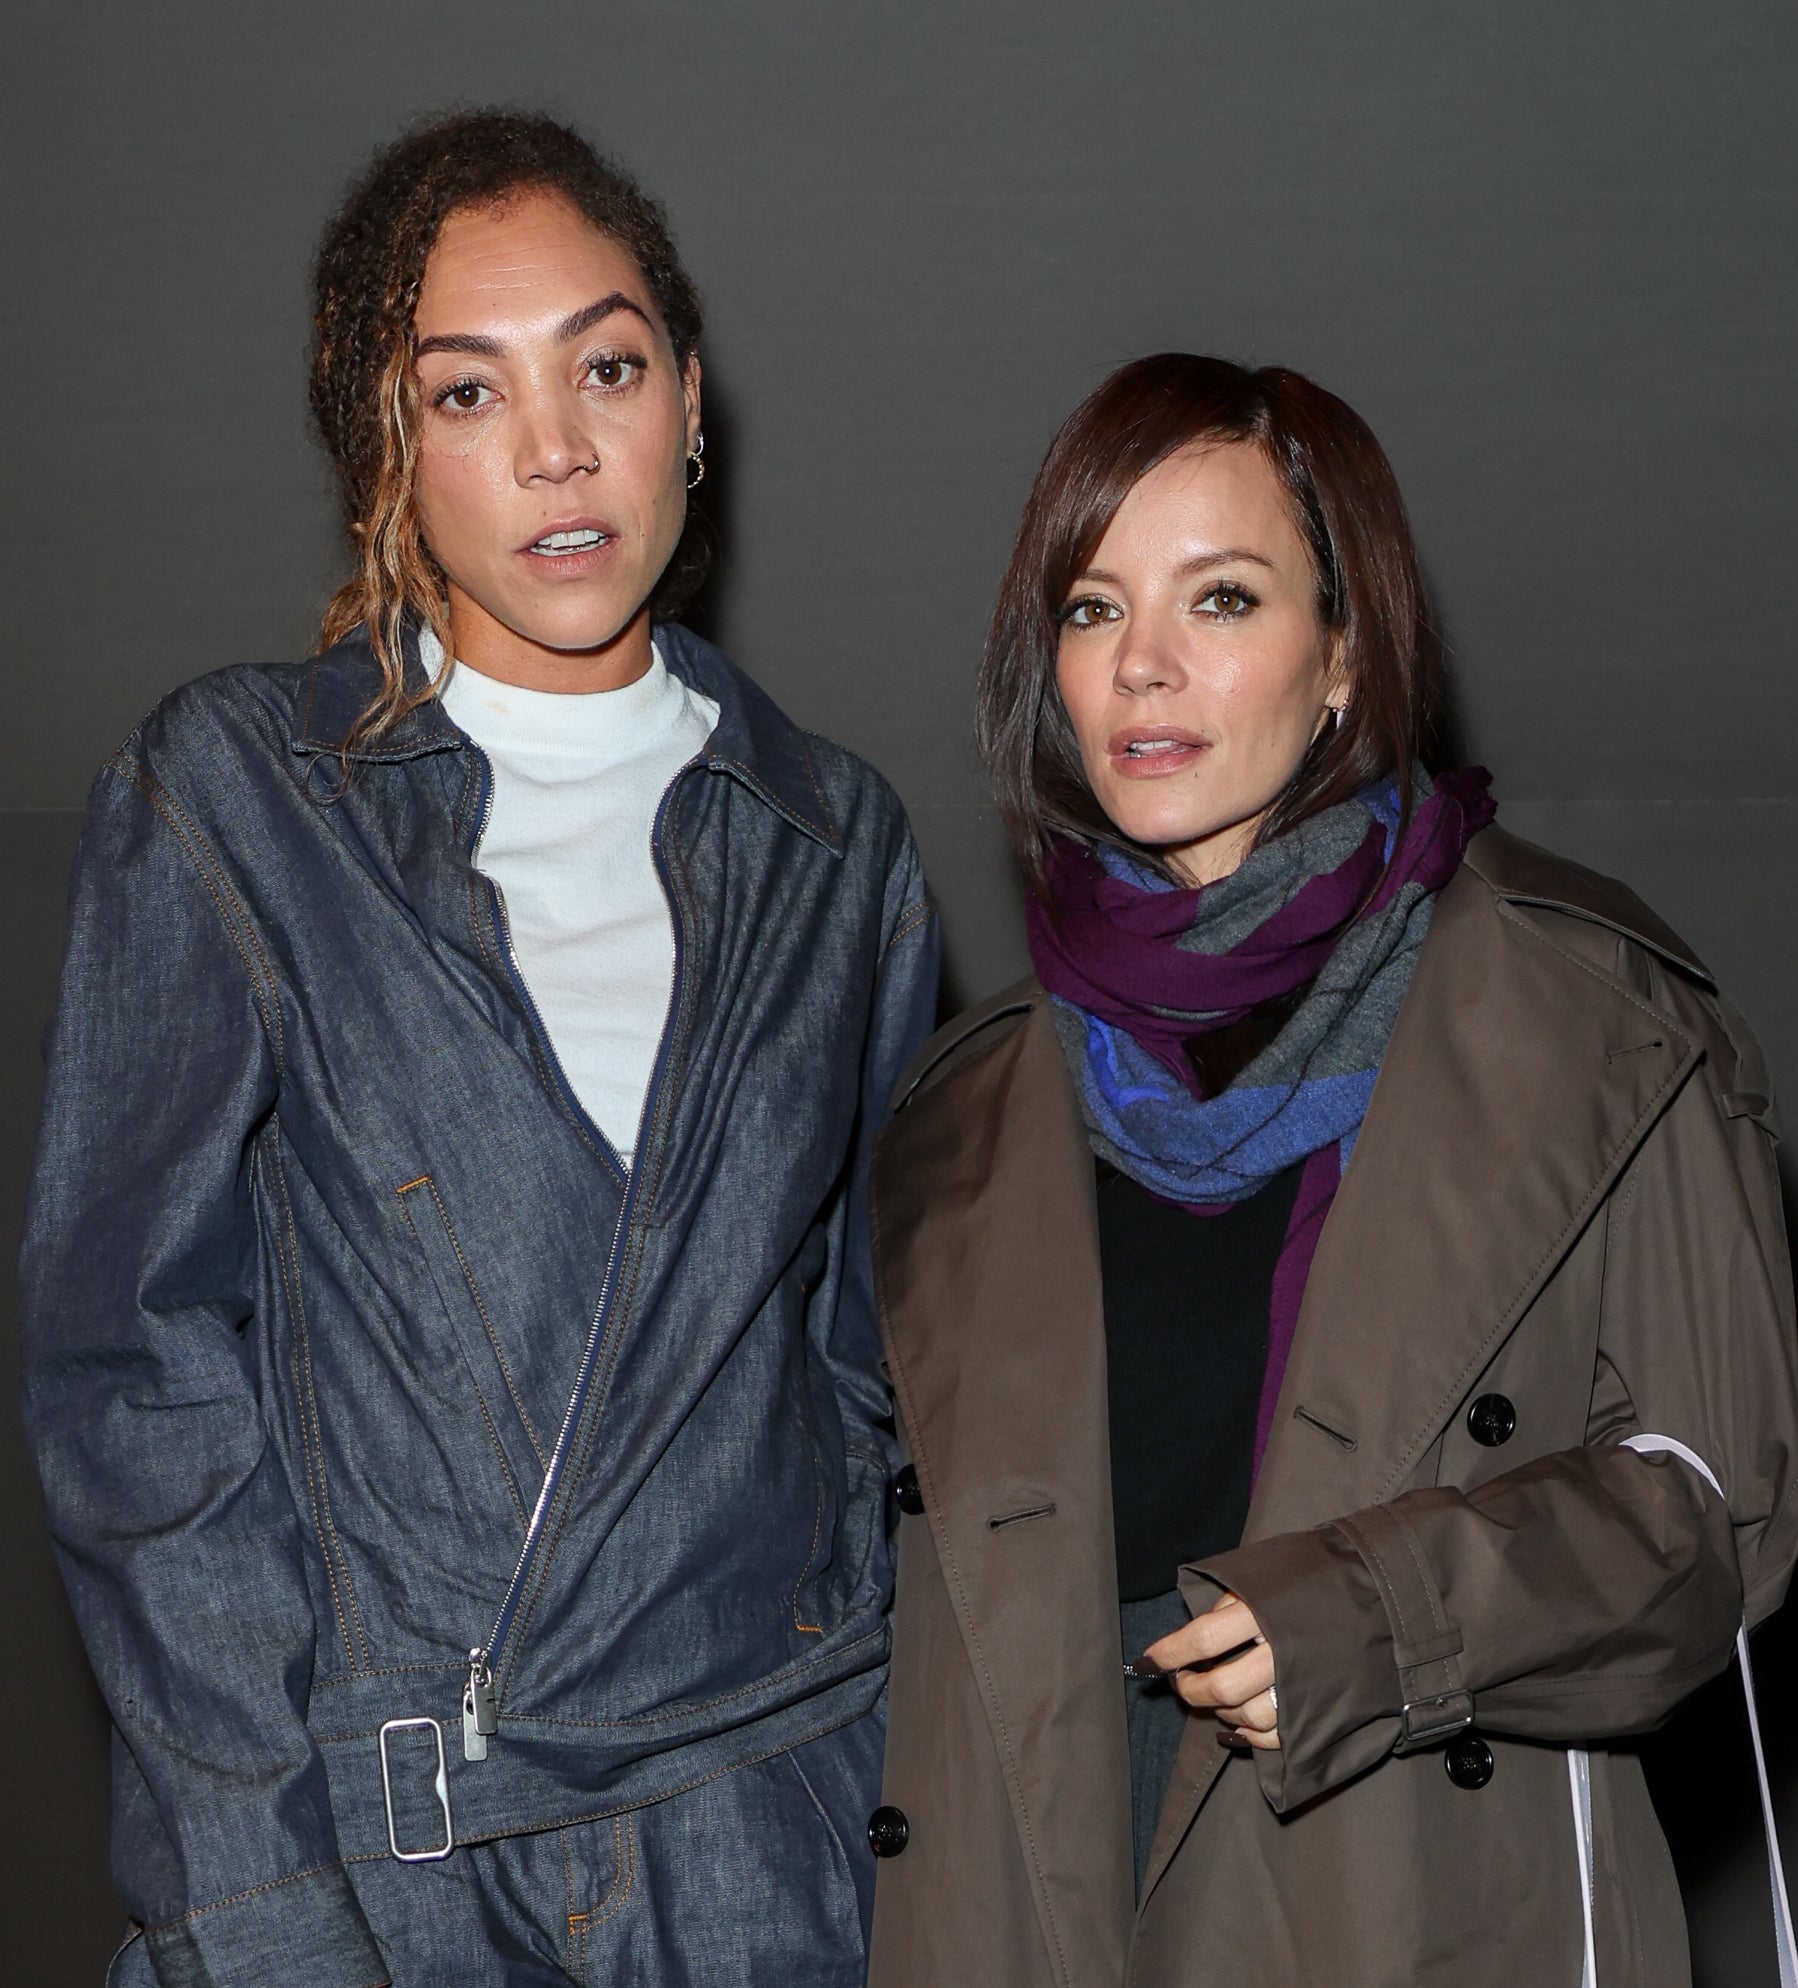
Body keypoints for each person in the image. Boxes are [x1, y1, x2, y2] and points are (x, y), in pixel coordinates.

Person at [20, 110, 937, 1988]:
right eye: (465, 392)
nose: (554, 448)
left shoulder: (840, 845)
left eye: (606, 365)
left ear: (689, 402)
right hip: (395, 1871)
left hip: (779, 1847)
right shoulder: (236, 799)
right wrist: (259, 1906)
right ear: (388, 450)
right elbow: (131, 1388)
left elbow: (868, 1374)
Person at [864, 353, 1797, 1987]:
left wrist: (1380, 1618)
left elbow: (1717, 1517)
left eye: (1218, 599)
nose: (1141, 665)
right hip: (1042, 1901)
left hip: (1407, 1883)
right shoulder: (959, 1110)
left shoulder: (1591, 1016)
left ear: (1344, 654)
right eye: (1089, 611)